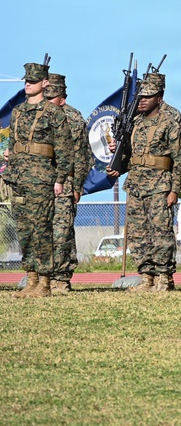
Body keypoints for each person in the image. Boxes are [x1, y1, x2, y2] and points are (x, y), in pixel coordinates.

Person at [108, 72, 181, 292]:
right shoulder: (134, 122)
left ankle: (164, 277)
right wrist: (119, 158)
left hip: (160, 186)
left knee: (161, 233)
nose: (142, 100)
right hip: (136, 185)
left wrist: (175, 189)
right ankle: (147, 277)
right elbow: (132, 157)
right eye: (141, 96)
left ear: (159, 97)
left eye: (148, 96)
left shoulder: (169, 121)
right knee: (137, 234)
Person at [6, 62, 71, 299]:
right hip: (19, 178)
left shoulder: (53, 113)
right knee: (24, 231)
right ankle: (31, 279)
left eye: (32, 81)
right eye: (26, 81)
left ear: (44, 83)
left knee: (41, 230)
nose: (27, 85)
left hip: (42, 179)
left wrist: (60, 178)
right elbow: (12, 144)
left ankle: (44, 282)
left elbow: (65, 149)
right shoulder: (18, 111)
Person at [44, 74, 90, 295]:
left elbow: (82, 155)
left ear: (62, 98)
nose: (47, 100)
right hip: (41, 183)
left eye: (52, 97)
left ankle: (61, 278)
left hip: (66, 183)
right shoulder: (38, 115)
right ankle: (43, 276)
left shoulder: (73, 118)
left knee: (61, 232)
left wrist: (77, 186)